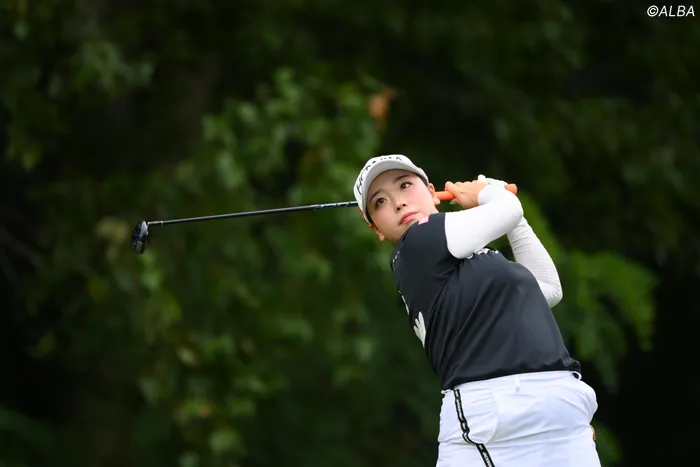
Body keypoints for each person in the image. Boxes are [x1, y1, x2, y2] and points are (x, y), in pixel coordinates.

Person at [353, 154, 601, 467]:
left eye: (404, 185)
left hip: (555, 410)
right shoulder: (418, 243)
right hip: (496, 412)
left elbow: (549, 289)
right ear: (376, 228)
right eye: (380, 202)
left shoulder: (477, 260)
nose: (398, 202)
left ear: (431, 193)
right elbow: (508, 209)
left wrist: (516, 220)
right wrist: (488, 193)